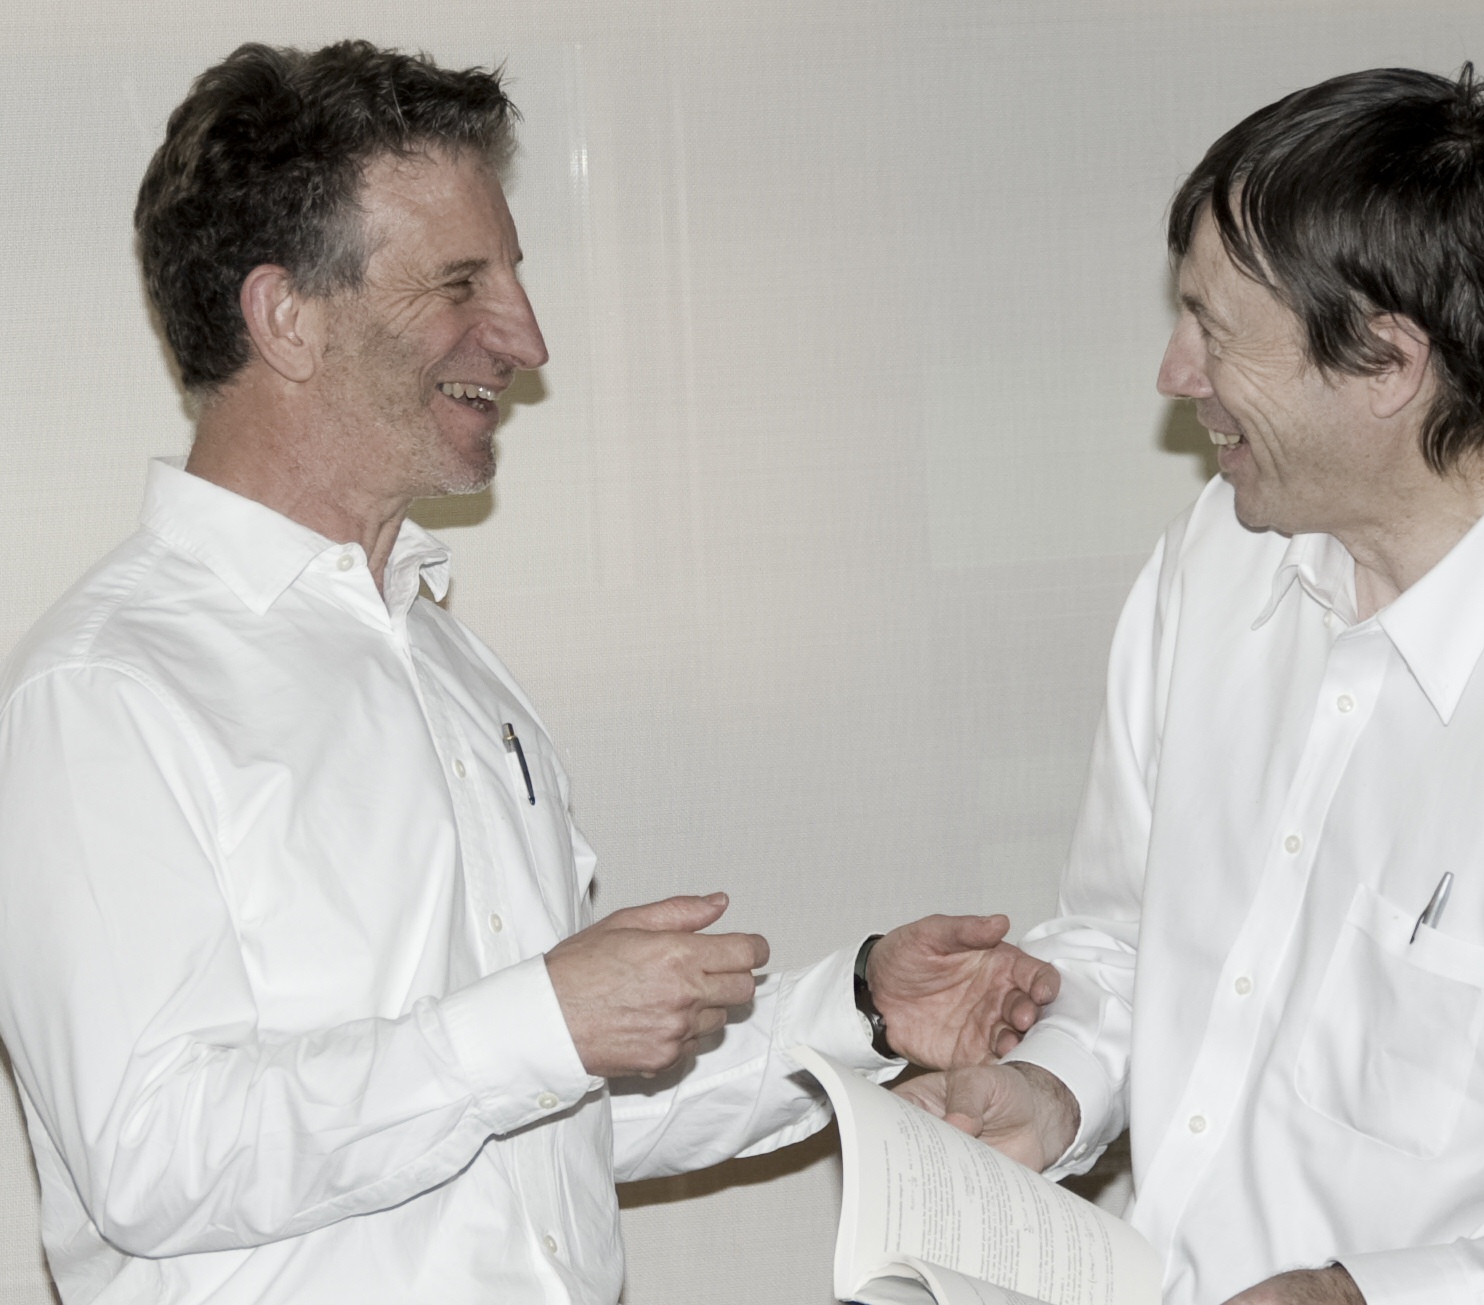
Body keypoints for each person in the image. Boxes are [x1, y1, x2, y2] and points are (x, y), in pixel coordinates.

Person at [0, 41, 1057, 1305]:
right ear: (286, 318)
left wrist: (861, 1012)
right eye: (463, 282)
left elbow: (541, 1117)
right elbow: (151, 1158)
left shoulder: (447, 661)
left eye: (513, 276)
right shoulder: (101, 693)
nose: (526, 338)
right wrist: (542, 1023)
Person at [898, 65, 1484, 1305]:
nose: (1174, 372)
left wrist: (1363, 1295)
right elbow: (1124, 937)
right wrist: (1052, 1086)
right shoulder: (1214, 563)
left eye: (1214, 328)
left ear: (1386, 360)